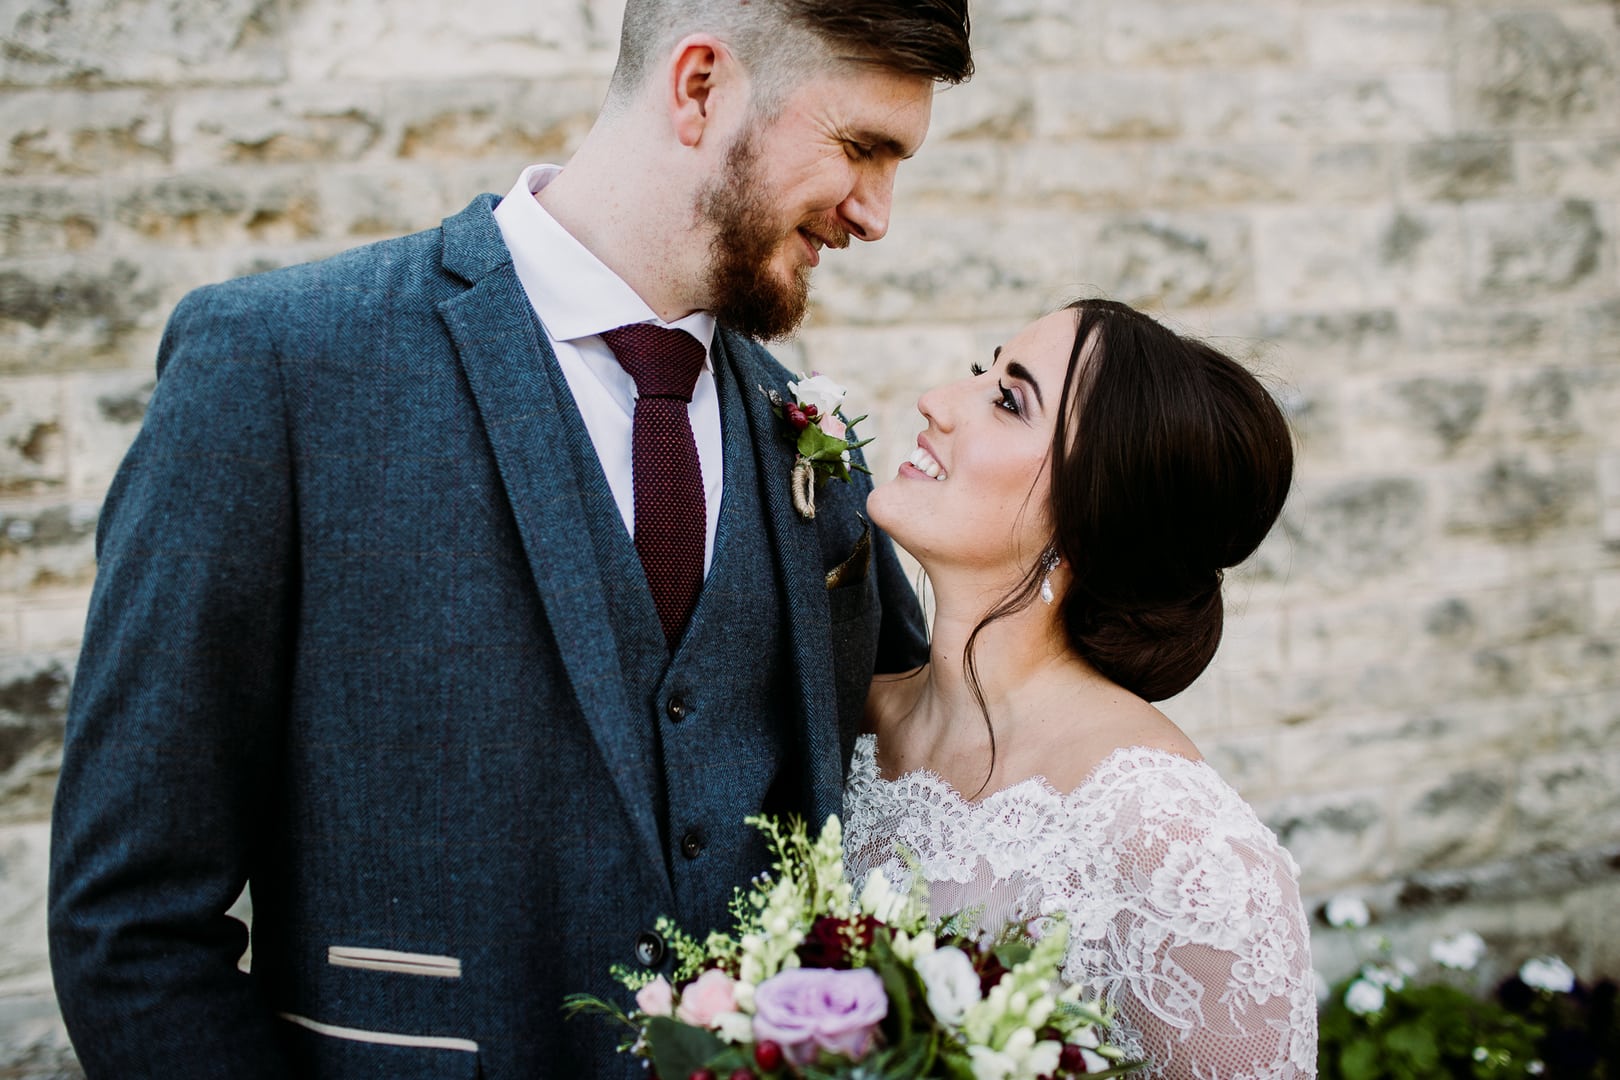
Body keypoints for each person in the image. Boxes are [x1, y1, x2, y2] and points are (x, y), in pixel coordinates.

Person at [47, 2, 971, 1076]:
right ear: (702, 87)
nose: (877, 215)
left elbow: (929, 761)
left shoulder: (809, 442)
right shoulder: (282, 368)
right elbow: (129, 925)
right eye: (862, 147)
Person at [843, 299, 1317, 1077]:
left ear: (1089, 517)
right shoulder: (842, 716)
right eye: (982, 373)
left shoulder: (1178, 846)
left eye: (1007, 400)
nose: (937, 401)